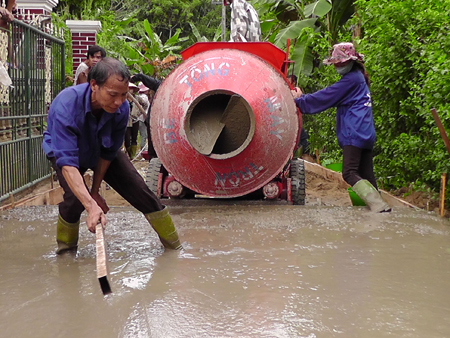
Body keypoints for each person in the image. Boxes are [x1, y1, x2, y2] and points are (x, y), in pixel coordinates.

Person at [42, 57, 182, 254]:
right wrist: (90, 206)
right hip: (68, 151)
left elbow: (108, 153)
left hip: (100, 148)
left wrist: (95, 191)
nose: (118, 102)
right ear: (94, 85)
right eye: (113, 94)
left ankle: (175, 248)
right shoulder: (66, 105)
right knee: (74, 199)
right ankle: (66, 252)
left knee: (141, 191)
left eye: (124, 95)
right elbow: (68, 164)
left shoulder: (121, 108)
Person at [291, 42, 391, 213]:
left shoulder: (350, 80)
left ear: (350, 62)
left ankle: (379, 206)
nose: (337, 65)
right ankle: (380, 211)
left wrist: (299, 100)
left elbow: (326, 96)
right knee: (366, 175)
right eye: (336, 62)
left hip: (355, 132)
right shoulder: (359, 78)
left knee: (349, 172)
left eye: (340, 62)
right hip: (366, 132)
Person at [287, 74, 310, 157]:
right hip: (289, 120)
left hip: (296, 120)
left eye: (289, 81)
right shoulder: (285, 90)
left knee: (301, 138)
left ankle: (302, 154)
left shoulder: (296, 91)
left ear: (294, 82)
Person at [137, 82, 150, 151]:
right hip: (143, 119)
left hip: (139, 119)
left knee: (143, 134)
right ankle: (143, 150)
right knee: (143, 135)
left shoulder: (138, 97)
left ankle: (143, 148)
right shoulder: (144, 98)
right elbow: (145, 107)